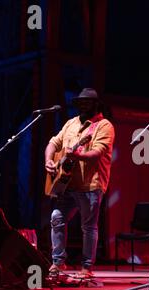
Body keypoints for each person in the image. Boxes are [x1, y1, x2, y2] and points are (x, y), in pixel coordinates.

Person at [45, 88, 115, 278]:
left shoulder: (103, 125)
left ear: (96, 104)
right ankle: (58, 263)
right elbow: (53, 143)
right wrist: (49, 161)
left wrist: (78, 154)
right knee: (56, 218)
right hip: (66, 184)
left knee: (88, 227)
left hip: (90, 185)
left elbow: (97, 153)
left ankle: (86, 268)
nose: (83, 105)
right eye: (80, 102)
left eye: (87, 102)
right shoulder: (71, 123)